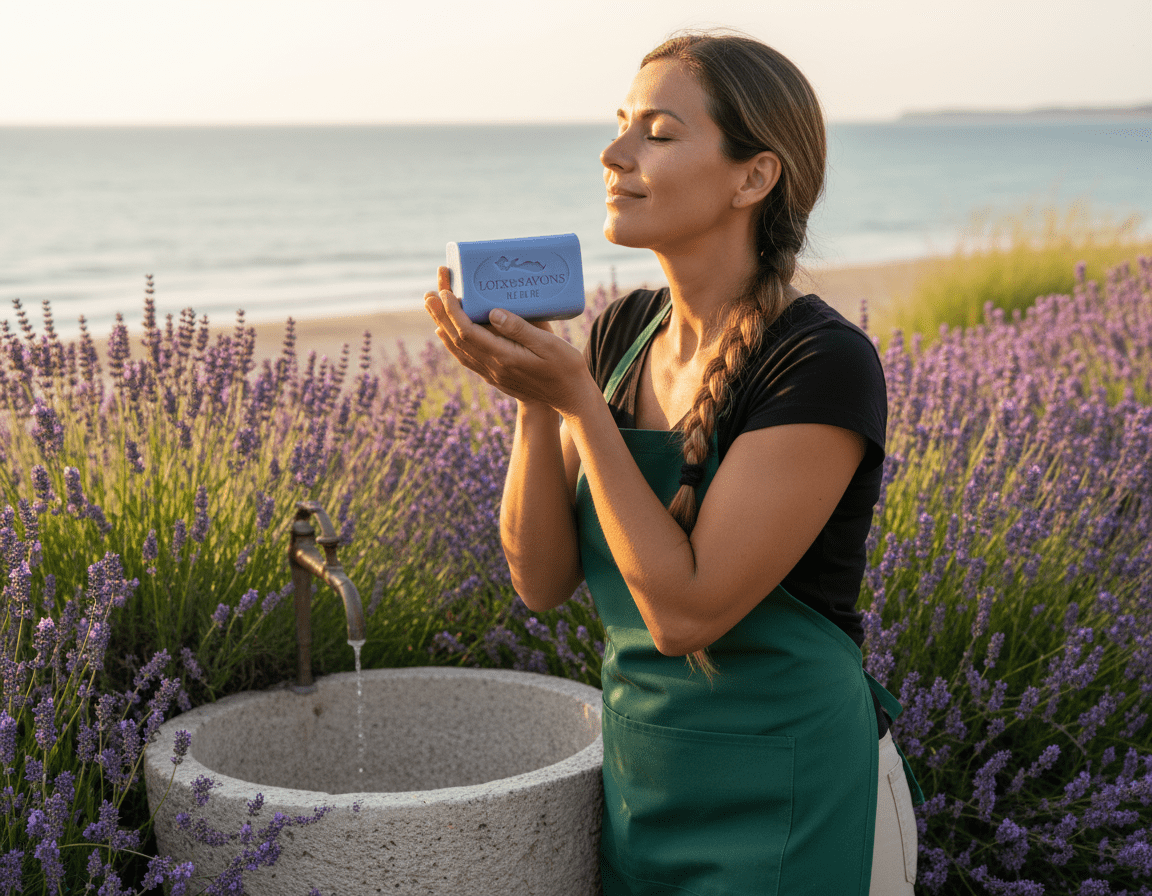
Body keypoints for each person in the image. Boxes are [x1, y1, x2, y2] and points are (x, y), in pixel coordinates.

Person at [425, 30, 922, 896]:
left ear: (752, 177)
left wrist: (580, 401)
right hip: (648, 785)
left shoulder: (820, 363)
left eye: (656, 132)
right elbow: (540, 579)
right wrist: (537, 398)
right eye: (622, 125)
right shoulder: (623, 335)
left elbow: (686, 615)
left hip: (797, 791)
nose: (614, 154)